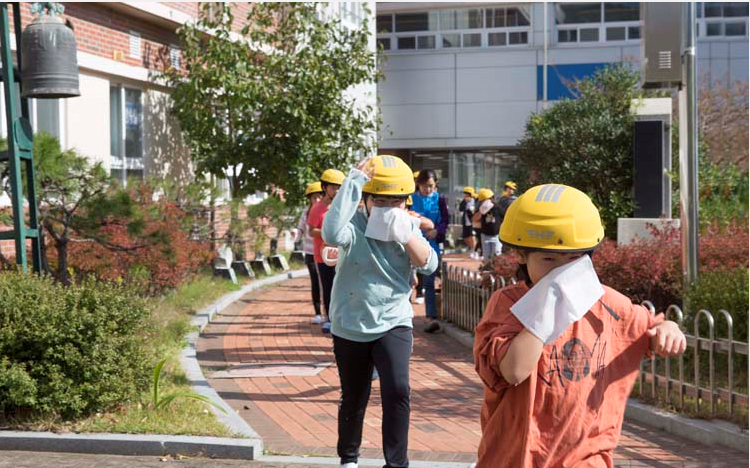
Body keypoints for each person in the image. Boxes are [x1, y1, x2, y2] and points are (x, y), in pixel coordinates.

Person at [472, 184, 687, 468]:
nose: (562, 270)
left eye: (573, 260)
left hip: (585, 459)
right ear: (522, 254)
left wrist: (669, 328)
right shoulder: (507, 305)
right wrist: (548, 303)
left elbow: (654, 327)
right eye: (549, 259)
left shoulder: (607, 304)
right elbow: (513, 370)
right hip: (514, 458)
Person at [322, 155, 437, 468]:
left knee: (398, 389)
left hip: (394, 322)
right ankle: (349, 459)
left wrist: (407, 231)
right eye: (380, 201)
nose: (387, 208)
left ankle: (396, 464)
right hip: (350, 323)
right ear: (366, 200)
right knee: (354, 395)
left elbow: (429, 264)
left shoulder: (406, 224)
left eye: (395, 202)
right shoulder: (353, 226)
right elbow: (331, 235)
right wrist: (353, 183)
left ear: (404, 202)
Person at [410, 169, 449, 333]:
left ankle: (431, 316)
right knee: (409, 280)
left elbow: (446, 219)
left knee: (429, 281)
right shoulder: (410, 198)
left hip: (431, 244)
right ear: (418, 184)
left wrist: (437, 231)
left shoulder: (439, 199)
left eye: (431, 186)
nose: (428, 189)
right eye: (425, 186)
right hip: (411, 243)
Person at [308, 168, 345, 334]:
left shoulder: (344, 206)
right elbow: (311, 231)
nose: (336, 191)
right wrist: (328, 234)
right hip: (323, 256)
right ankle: (329, 319)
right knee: (328, 287)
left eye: (339, 187)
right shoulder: (317, 208)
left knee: (342, 288)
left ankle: (342, 318)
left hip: (342, 255)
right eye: (333, 187)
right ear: (324, 187)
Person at [296, 181, 325, 324]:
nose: (317, 200)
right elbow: (301, 228)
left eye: (319, 197)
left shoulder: (327, 211)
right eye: (314, 198)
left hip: (325, 252)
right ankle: (318, 313)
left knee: (325, 283)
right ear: (309, 199)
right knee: (315, 282)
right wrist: (295, 235)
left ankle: (328, 313)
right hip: (310, 252)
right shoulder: (306, 213)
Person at [472, 188, 502, 261]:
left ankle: (495, 271)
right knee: (487, 258)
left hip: (496, 236)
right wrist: (481, 211)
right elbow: (474, 219)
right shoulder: (481, 208)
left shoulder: (498, 207)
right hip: (485, 235)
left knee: (496, 256)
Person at [458, 187, 477, 258]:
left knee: (472, 237)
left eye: (466, 195)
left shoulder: (475, 201)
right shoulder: (464, 202)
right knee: (465, 237)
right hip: (465, 222)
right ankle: (471, 248)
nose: (465, 196)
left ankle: (474, 251)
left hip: (472, 222)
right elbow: (460, 209)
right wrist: (465, 202)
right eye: (464, 195)